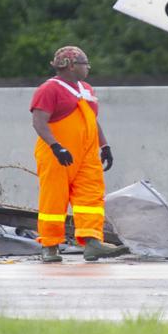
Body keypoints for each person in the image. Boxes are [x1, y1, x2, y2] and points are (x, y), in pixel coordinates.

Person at [30, 45, 126, 262]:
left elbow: (91, 120)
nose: (88, 67)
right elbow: (39, 121)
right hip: (57, 154)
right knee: (54, 198)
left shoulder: (87, 89)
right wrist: (56, 147)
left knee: (90, 196)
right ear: (71, 65)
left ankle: (92, 242)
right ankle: (49, 246)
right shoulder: (49, 89)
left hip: (87, 155)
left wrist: (104, 146)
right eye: (85, 64)